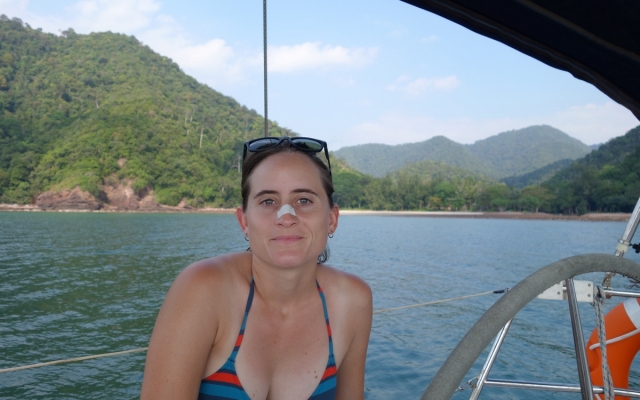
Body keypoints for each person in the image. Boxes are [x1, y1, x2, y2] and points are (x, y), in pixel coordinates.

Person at [141, 136, 373, 400]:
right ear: (244, 222)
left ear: (331, 219)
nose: (286, 217)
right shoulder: (203, 289)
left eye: (304, 200)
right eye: (268, 201)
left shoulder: (352, 300)